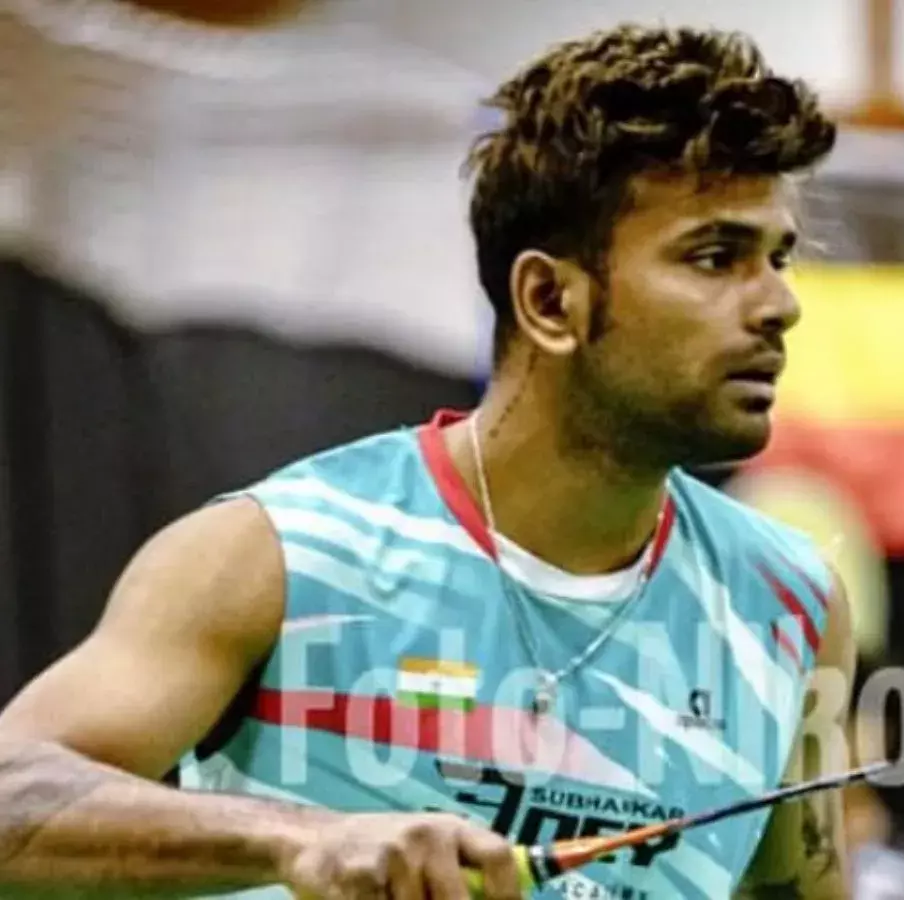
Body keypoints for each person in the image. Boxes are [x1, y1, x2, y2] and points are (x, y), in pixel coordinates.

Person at [0, 23, 853, 900]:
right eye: (716, 258)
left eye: (777, 258)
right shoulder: (280, 556)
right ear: (549, 300)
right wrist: (302, 841)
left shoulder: (789, 604)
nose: (779, 304)